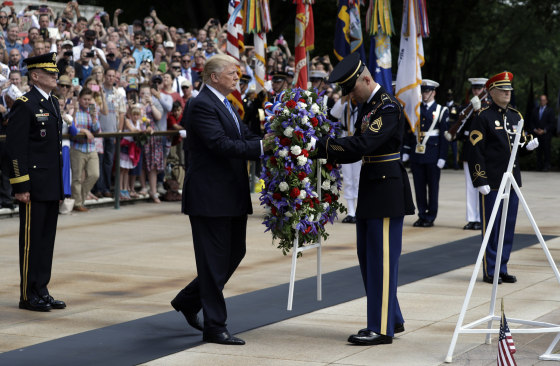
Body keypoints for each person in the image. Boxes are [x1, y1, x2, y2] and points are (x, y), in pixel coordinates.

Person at [314, 53, 415, 345]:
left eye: (352, 90)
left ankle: (381, 328)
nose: (350, 97)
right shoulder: (370, 106)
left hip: (386, 190)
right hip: (373, 187)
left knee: (381, 260)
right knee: (369, 259)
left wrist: (322, 146)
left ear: (367, 80)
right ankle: (391, 318)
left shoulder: (387, 107)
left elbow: (362, 145)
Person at [170, 54, 266, 346]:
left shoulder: (225, 103)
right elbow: (219, 144)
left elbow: (244, 134)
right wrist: (263, 147)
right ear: (213, 77)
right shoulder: (201, 104)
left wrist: (275, 138)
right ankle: (215, 325)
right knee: (213, 261)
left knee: (234, 253)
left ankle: (189, 300)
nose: (237, 77)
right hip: (210, 195)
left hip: (230, 193)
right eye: (232, 73)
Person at [5, 52, 66, 312]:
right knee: (31, 242)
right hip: (33, 185)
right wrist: (21, 186)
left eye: (55, 73)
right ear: (35, 75)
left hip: (50, 183)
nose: (55, 76)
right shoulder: (25, 104)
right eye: (50, 73)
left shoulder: (52, 102)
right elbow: (15, 150)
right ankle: (28, 295)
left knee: (46, 240)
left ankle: (42, 289)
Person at [467, 71, 539, 284]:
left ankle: (502, 266)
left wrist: (529, 147)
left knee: (508, 227)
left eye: (509, 90)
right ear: (491, 92)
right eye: (502, 90)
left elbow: (519, 147)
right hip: (492, 182)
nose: (507, 93)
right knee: (492, 227)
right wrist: (479, 179)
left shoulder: (516, 116)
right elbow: (476, 150)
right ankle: (490, 270)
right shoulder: (483, 117)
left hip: (511, 181)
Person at [403, 79, 449, 227]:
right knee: (419, 187)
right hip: (417, 154)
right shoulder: (416, 109)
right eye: (423, 91)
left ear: (434, 92)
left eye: (427, 91)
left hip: (433, 154)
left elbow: (444, 136)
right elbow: (410, 132)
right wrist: (406, 150)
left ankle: (431, 216)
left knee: (433, 188)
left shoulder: (442, 110)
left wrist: (442, 156)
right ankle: (422, 214)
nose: (424, 94)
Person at [459, 78, 488, 231]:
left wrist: (478, 111)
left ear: (484, 89)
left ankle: (482, 217)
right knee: (470, 187)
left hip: (483, 152)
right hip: (469, 151)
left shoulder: (488, 107)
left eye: (479, 88)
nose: (476, 91)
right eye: (474, 88)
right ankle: (472, 218)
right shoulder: (467, 107)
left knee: (482, 185)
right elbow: (459, 126)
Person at [329, 94, 361, 223]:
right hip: (345, 141)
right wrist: (343, 99)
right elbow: (334, 114)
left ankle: (359, 210)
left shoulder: (363, 104)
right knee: (348, 178)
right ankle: (351, 211)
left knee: (358, 178)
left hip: (359, 142)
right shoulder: (345, 104)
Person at [69, 87, 100, 212]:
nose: (87, 102)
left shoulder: (92, 111)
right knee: (76, 177)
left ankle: (80, 198)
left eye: (89, 99)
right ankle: (77, 203)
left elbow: (97, 129)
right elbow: (72, 127)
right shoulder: (75, 110)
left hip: (91, 147)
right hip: (77, 147)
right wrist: (84, 130)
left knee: (94, 174)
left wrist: (93, 118)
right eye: (85, 99)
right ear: (80, 99)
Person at [529, 94, 556, 171]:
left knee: (547, 150)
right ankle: (539, 166)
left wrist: (544, 130)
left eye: (544, 100)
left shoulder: (550, 110)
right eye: (541, 100)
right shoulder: (535, 110)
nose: (542, 101)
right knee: (538, 151)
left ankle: (547, 166)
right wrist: (535, 130)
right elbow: (531, 122)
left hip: (546, 135)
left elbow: (552, 123)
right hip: (537, 134)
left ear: (546, 101)